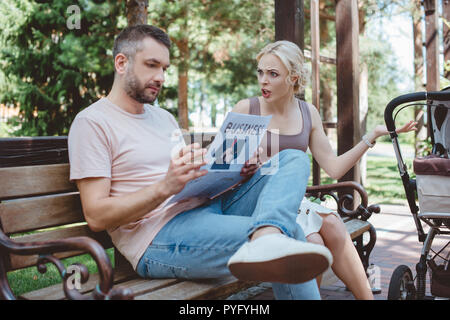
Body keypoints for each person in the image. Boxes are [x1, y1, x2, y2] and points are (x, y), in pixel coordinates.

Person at [68, 25, 334, 300]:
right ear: (121, 63)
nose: (160, 77)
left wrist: (238, 172)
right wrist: (165, 187)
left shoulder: (162, 118)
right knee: (289, 231)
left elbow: (191, 181)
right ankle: (267, 237)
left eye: (165, 69)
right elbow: (96, 216)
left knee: (292, 158)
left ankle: (266, 235)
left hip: (206, 208)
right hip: (157, 237)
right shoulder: (92, 123)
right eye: (152, 65)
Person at [231, 40, 417, 300]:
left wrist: (371, 136)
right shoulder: (246, 109)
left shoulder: (308, 113)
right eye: (261, 72)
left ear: (293, 78)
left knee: (331, 225)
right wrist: (245, 166)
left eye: (273, 74)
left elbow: (334, 168)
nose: (264, 81)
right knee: (319, 237)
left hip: (293, 202)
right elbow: (222, 167)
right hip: (258, 204)